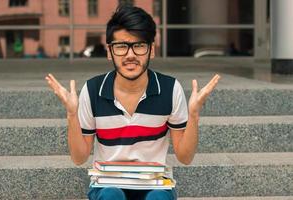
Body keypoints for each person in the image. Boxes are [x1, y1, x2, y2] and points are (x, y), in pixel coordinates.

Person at [45, 5, 220, 200]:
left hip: (154, 184)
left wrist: (194, 115)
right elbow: (79, 158)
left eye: (138, 45)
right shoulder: (93, 90)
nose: (130, 55)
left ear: (151, 50)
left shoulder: (170, 89)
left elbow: (185, 157)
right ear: (110, 52)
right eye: (121, 46)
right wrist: (71, 115)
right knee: (112, 196)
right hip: (107, 184)